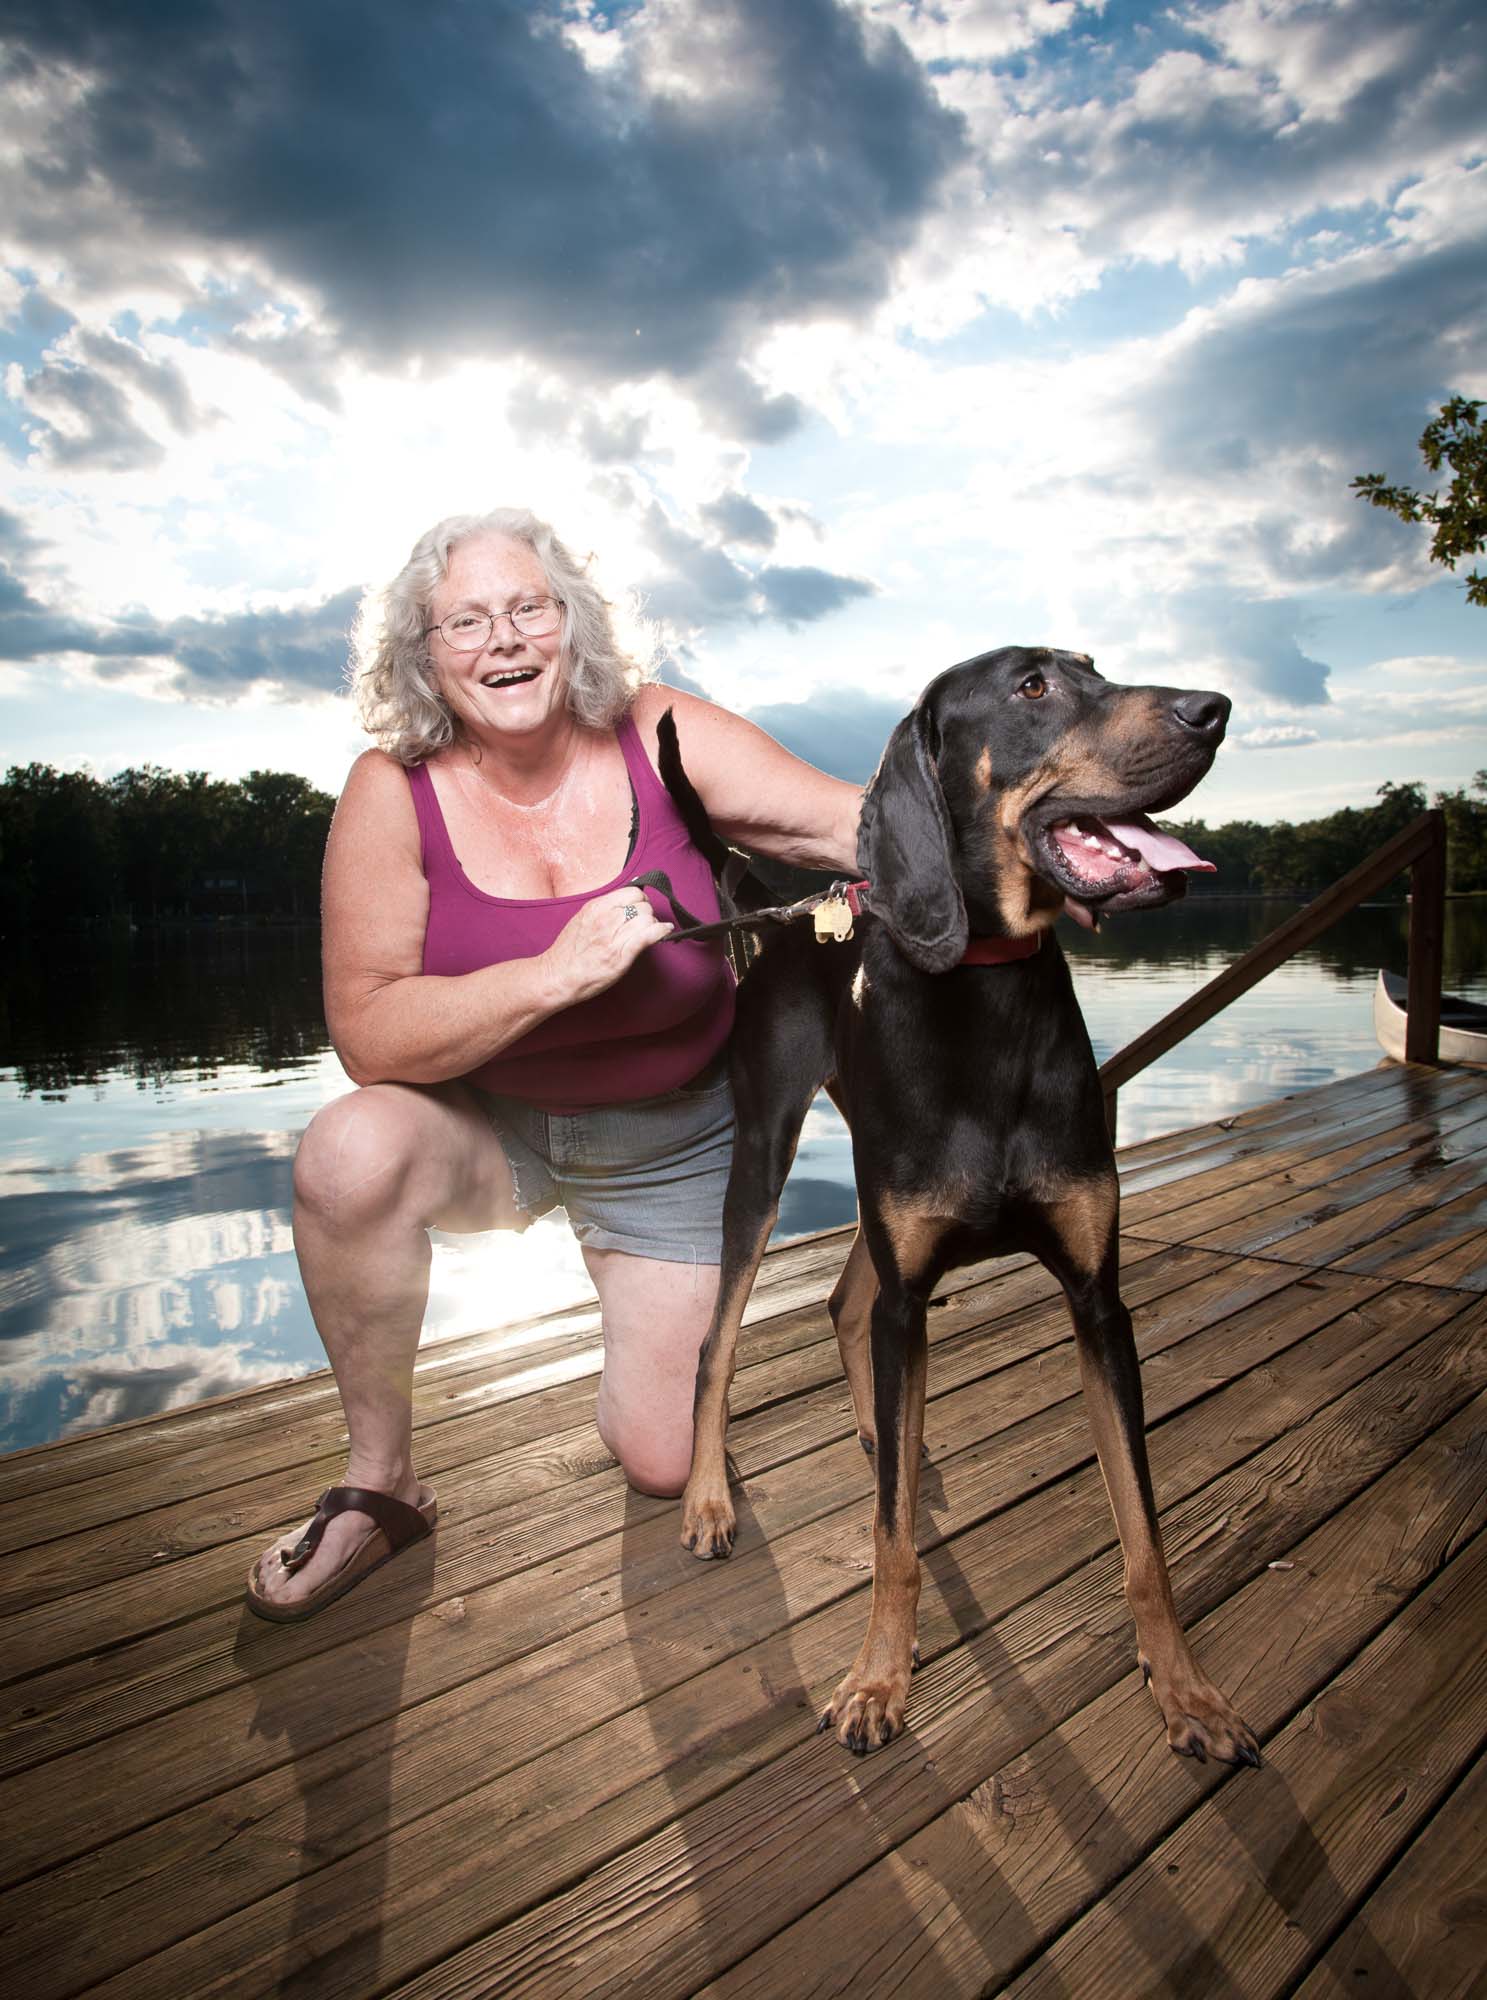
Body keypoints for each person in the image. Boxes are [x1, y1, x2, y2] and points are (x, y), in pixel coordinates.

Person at [246, 507, 862, 1618]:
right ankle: (381, 1484)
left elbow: (844, 827)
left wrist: (1033, 828)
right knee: (347, 1153)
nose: (502, 640)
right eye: (465, 621)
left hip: (673, 1141)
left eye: (529, 607)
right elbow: (369, 1033)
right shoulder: (392, 788)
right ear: (423, 654)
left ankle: (640, 1324)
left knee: (667, 1457)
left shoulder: (657, 731)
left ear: (571, 624)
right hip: (494, 1129)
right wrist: (551, 973)